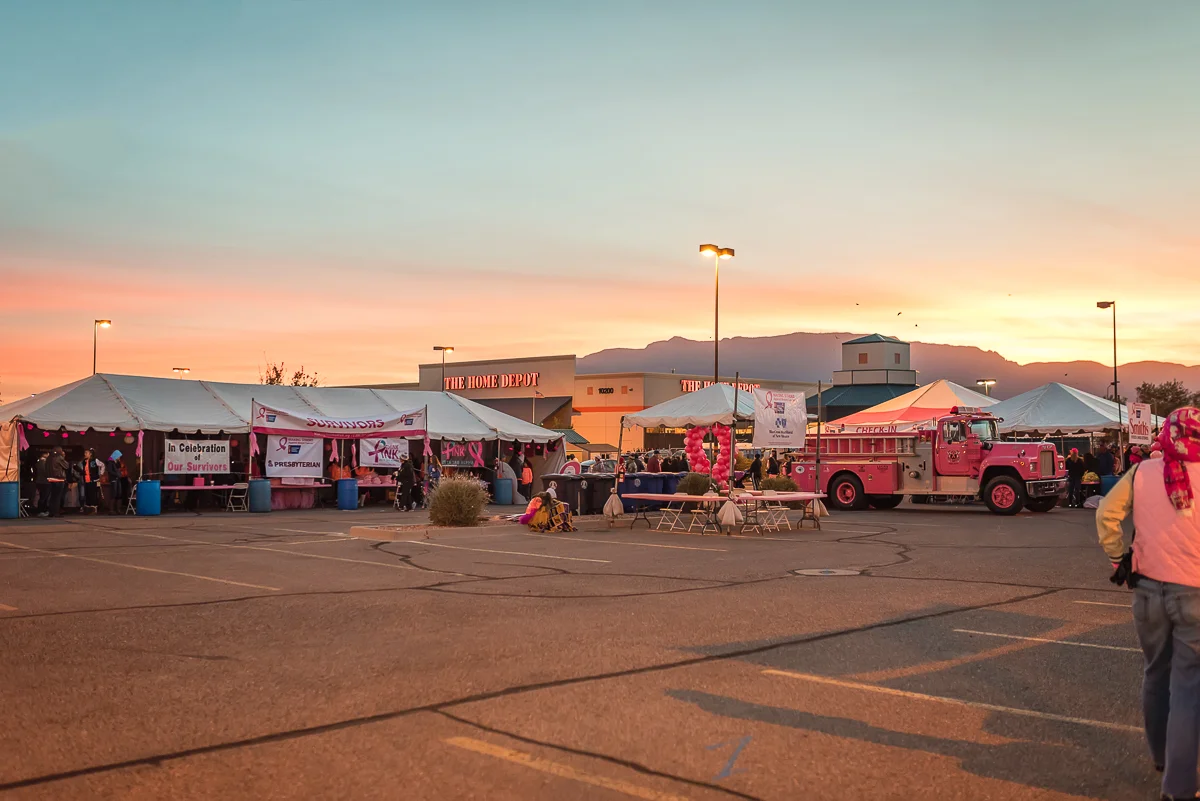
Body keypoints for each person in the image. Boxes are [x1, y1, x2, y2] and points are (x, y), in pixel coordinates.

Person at [1097, 408, 1200, 801]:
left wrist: (1116, 556)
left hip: (1147, 589)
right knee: (1188, 686)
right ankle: (1178, 786)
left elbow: (1106, 514)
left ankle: (1160, 756)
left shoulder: (1141, 472)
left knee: (1156, 672)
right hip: (1194, 591)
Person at [79, 449, 103, 514]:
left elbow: (102, 465)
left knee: (93, 494)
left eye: (86, 453)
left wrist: (100, 474)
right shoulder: (84, 461)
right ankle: (88, 508)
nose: (85, 454)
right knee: (87, 494)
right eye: (84, 453)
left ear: (90, 454)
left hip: (93, 480)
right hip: (86, 480)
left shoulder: (95, 460)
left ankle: (94, 508)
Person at [46, 447, 68, 518]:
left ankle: (51, 512)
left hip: (50, 479)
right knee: (57, 497)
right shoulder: (59, 458)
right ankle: (56, 512)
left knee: (52, 496)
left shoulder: (49, 458)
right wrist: (63, 457)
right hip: (58, 479)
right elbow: (66, 466)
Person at [33, 452, 50, 517]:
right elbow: (45, 471)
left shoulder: (39, 463)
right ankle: (41, 510)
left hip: (40, 481)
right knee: (43, 497)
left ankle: (43, 510)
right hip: (44, 482)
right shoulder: (42, 463)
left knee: (43, 496)